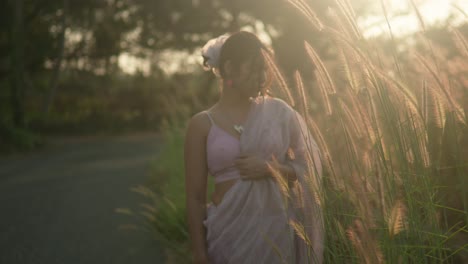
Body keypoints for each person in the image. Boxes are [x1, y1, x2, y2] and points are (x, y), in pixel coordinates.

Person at [184, 31, 324, 264]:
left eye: (265, 68)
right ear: (229, 68)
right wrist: (199, 254)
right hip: (226, 236)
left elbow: (310, 166)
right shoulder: (201, 125)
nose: (262, 77)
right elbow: (195, 198)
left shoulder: (278, 113)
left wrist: (272, 169)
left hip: (274, 234)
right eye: (255, 68)